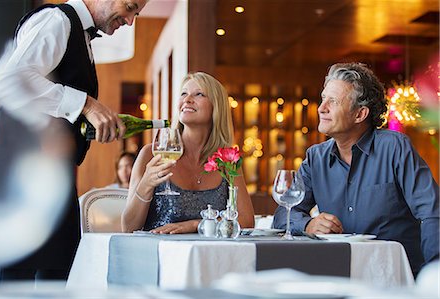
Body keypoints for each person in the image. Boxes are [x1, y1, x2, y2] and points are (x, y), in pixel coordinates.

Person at [0, 0, 148, 284]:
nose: (130, 21)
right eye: (130, 7)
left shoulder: (79, 34)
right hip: (25, 174)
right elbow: (7, 81)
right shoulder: (57, 20)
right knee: (20, 280)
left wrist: (86, 123)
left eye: (136, 13)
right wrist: (85, 104)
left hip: (51, 173)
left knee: (56, 273)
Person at [273, 62, 439, 276]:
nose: (322, 108)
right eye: (323, 99)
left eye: (333, 101)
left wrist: (433, 275)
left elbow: (432, 213)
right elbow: (284, 212)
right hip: (338, 273)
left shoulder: (394, 147)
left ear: (360, 114)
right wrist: (308, 225)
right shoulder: (316, 158)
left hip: (395, 277)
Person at [122, 72, 255, 233]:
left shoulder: (227, 161)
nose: (187, 99)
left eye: (199, 94)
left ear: (216, 106)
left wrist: (195, 225)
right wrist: (145, 185)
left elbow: (246, 221)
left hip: (207, 255)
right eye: (183, 93)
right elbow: (128, 228)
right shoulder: (151, 154)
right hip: (159, 254)